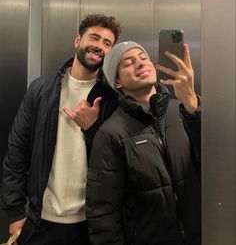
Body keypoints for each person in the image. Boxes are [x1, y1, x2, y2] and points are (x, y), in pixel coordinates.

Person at [1, 14, 122, 245]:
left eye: (107, 43)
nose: (99, 46)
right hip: (40, 220)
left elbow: (118, 157)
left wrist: (93, 128)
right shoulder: (41, 89)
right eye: (94, 38)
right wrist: (16, 211)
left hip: (92, 223)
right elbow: (17, 151)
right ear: (78, 40)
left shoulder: (111, 98)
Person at [86, 41, 201, 245]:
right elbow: (103, 213)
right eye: (129, 62)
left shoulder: (185, 110)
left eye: (143, 57)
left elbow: (220, 166)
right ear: (118, 82)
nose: (140, 63)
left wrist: (193, 107)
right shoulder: (111, 134)